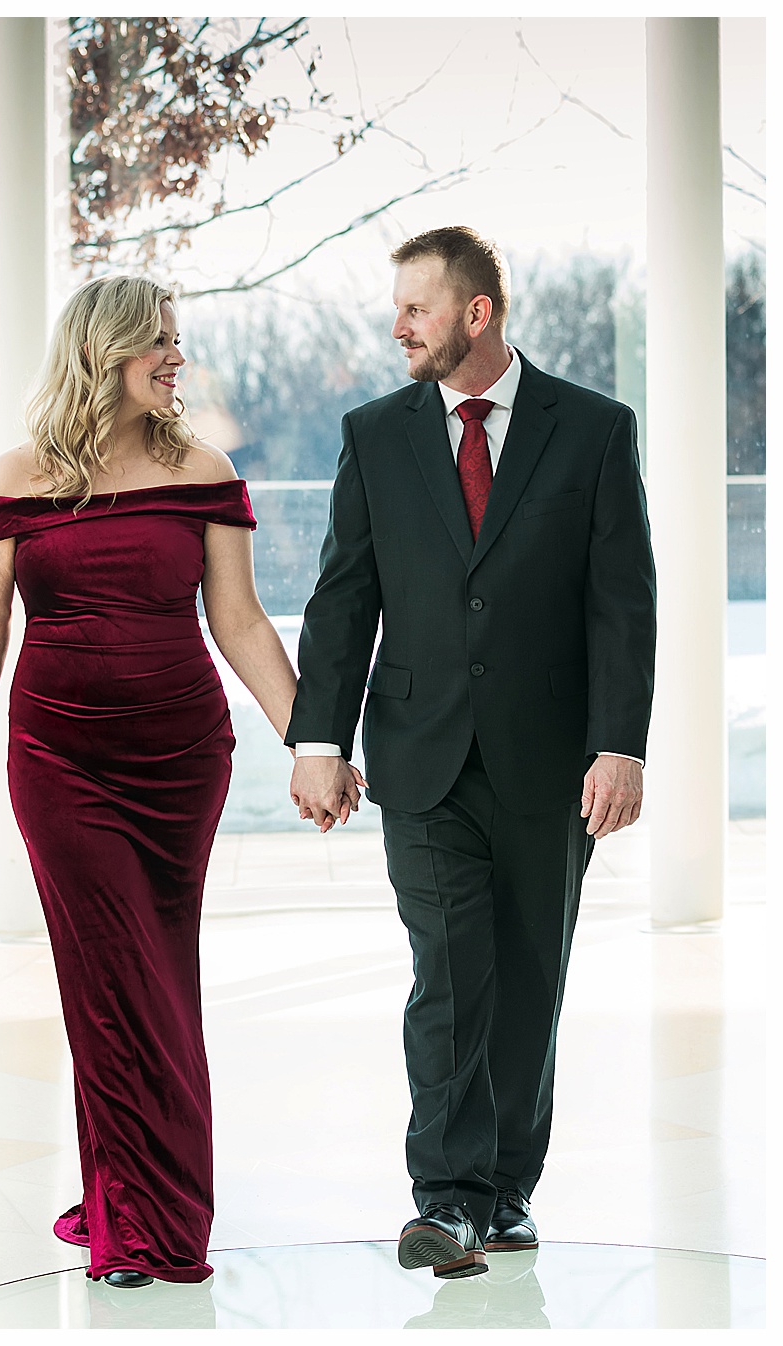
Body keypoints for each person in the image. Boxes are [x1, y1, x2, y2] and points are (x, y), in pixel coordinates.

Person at [0, 275, 346, 1287]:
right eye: (161, 341)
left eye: (178, 339)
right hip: (60, 761)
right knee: (109, 982)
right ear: (104, 349)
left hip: (179, 760)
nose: (177, 357)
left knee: (157, 979)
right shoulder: (17, 474)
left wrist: (314, 740)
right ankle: (139, 1227)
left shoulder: (202, 465)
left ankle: (149, 1202)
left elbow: (241, 622)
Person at [287, 225, 656, 1280]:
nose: (398, 325)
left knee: (531, 975)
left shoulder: (592, 430)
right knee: (449, 970)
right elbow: (344, 597)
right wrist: (321, 736)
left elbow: (623, 604)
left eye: (417, 306)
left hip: (553, 764)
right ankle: (445, 1197)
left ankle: (505, 1194)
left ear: (477, 314)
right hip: (422, 755)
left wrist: (618, 744)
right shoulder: (375, 436)